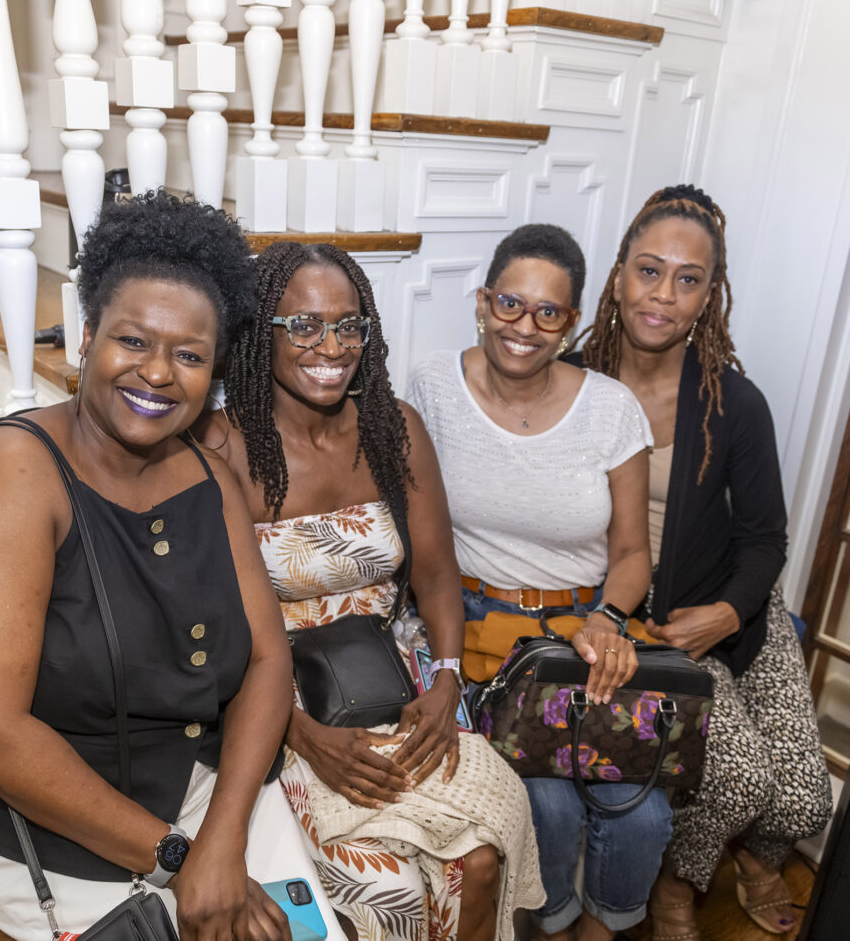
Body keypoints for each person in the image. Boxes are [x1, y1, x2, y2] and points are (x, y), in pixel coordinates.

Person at [0, 192, 302, 941]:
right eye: (133, 341)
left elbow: (269, 660)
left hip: (191, 795)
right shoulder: (11, 473)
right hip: (25, 820)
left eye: (189, 354)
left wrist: (222, 831)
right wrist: (182, 859)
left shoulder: (212, 477)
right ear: (87, 337)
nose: (157, 373)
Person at [198, 241, 543, 941]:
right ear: (261, 333)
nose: (332, 345)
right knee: (387, 889)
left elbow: (440, 575)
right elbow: (210, 631)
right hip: (278, 707)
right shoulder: (223, 444)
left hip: (398, 685)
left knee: (478, 858)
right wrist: (302, 733)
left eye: (349, 325)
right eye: (304, 325)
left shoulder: (394, 429)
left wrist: (446, 682)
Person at [406, 224, 672, 941]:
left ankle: (600, 929)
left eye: (547, 312)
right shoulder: (430, 384)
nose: (524, 326)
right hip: (479, 630)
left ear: (572, 322)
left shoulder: (612, 407)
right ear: (483, 301)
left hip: (586, 634)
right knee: (548, 803)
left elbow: (631, 552)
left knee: (643, 807)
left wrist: (610, 619)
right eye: (510, 304)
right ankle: (548, 926)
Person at [579, 184, 831, 938]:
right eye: (650, 270)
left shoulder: (734, 401)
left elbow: (766, 540)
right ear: (619, 273)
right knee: (743, 777)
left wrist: (730, 611)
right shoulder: (568, 381)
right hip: (657, 622)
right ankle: (679, 882)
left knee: (806, 803)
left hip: (738, 604)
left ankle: (757, 856)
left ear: (709, 295)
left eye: (689, 280)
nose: (664, 295)